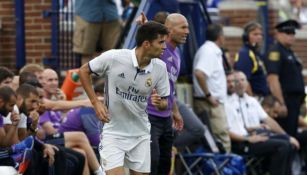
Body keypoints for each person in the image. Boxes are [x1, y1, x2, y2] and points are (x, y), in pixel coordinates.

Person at [79, 21, 170, 175]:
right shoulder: (114, 57)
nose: (164, 47)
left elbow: (165, 103)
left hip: (140, 134)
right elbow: (83, 71)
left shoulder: (160, 68)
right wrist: (96, 103)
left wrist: (160, 103)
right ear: (147, 44)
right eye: (161, 42)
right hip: (113, 132)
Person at [226, 71, 295, 175]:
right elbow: (227, 131)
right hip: (242, 143)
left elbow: (243, 126)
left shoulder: (249, 100)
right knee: (283, 146)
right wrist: (248, 138)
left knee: (288, 142)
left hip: (251, 135)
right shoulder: (228, 103)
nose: (238, 83)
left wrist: (255, 128)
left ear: (247, 83)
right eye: (235, 81)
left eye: (242, 80)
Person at [193, 23, 231, 152]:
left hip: (212, 104)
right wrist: (209, 95)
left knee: (219, 139)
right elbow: (199, 73)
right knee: (221, 139)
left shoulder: (210, 50)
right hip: (209, 105)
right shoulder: (209, 51)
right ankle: (225, 170)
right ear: (220, 37)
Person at [265, 19, 305, 137]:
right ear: (278, 34)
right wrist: (281, 103)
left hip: (294, 102)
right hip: (285, 100)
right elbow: (273, 79)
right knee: (286, 136)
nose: (291, 36)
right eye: (288, 33)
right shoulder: (276, 52)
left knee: (293, 134)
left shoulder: (289, 52)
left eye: (293, 33)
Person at [73, 0, 122, 65]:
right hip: (87, 14)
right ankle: (87, 74)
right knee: (86, 53)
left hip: (110, 15)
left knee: (113, 54)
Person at [234, 21, 269, 98]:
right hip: (254, 97)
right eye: (255, 34)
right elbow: (244, 81)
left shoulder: (256, 53)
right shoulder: (245, 53)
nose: (259, 37)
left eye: (261, 34)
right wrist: (252, 101)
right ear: (246, 37)